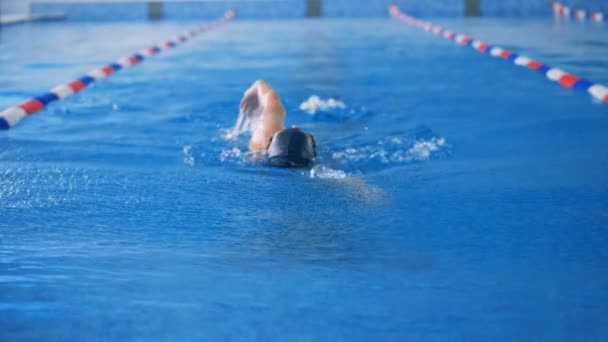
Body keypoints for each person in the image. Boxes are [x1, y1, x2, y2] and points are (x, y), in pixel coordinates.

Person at [234, 80, 316, 168]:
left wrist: (259, 84)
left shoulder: (261, 141)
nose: (294, 127)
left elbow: (271, 99)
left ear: (271, 144)